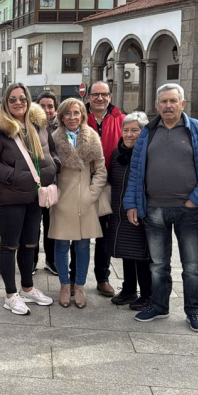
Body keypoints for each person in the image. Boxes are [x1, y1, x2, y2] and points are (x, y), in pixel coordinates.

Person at [124, 83, 198, 331]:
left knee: (192, 266)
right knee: (158, 264)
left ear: (182, 104)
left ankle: (194, 311)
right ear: (156, 106)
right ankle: (159, 306)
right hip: (154, 210)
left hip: (189, 211)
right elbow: (135, 171)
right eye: (163, 101)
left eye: (173, 101)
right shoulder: (147, 133)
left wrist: (195, 200)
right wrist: (132, 203)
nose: (168, 105)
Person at [0, 83, 58, 315]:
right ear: (6, 102)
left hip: (36, 195)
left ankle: (27, 288)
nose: (18, 103)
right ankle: (10, 294)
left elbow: (51, 151)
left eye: (22, 99)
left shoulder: (39, 124)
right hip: (10, 195)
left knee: (30, 244)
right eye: (13, 99)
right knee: (10, 245)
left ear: (28, 101)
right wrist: (14, 176)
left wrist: (55, 166)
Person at [49, 98, 106, 308]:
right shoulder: (54, 138)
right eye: (67, 113)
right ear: (61, 116)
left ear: (82, 115)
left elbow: (101, 170)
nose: (72, 117)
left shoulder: (92, 137)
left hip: (85, 199)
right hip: (62, 200)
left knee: (83, 246)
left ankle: (79, 285)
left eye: (76, 113)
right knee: (61, 244)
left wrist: (91, 194)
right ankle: (65, 285)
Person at [106, 112, 152, 310]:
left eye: (135, 130)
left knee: (142, 255)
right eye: (126, 130)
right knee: (127, 252)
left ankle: (147, 294)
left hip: (141, 211)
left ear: (144, 132)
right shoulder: (118, 153)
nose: (129, 134)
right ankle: (129, 289)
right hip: (120, 211)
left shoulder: (149, 153)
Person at [85, 81, 124, 297]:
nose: (100, 98)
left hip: (110, 186)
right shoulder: (79, 116)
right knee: (79, 234)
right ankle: (75, 279)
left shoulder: (121, 119)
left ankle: (103, 278)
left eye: (105, 94)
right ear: (89, 97)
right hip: (82, 184)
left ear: (110, 96)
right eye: (96, 94)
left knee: (104, 235)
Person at [36, 90, 59, 275]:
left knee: (52, 225)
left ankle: (51, 260)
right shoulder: (29, 126)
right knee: (33, 225)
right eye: (42, 105)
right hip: (34, 185)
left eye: (50, 106)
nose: (46, 109)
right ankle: (32, 260)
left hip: (55, 184)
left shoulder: (63, 127)